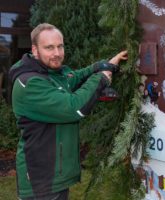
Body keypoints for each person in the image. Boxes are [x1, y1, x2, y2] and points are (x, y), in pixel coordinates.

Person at [9, 23, 128, 200]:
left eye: (60, 46)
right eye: (49, 47)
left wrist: (102, 65)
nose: (57, 53)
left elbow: (73, 77)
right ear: (35, 50)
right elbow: (74, 107)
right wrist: (102, 77)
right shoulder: (30, 83)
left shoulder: (50, 72)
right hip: (42, 180)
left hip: (54, 174)